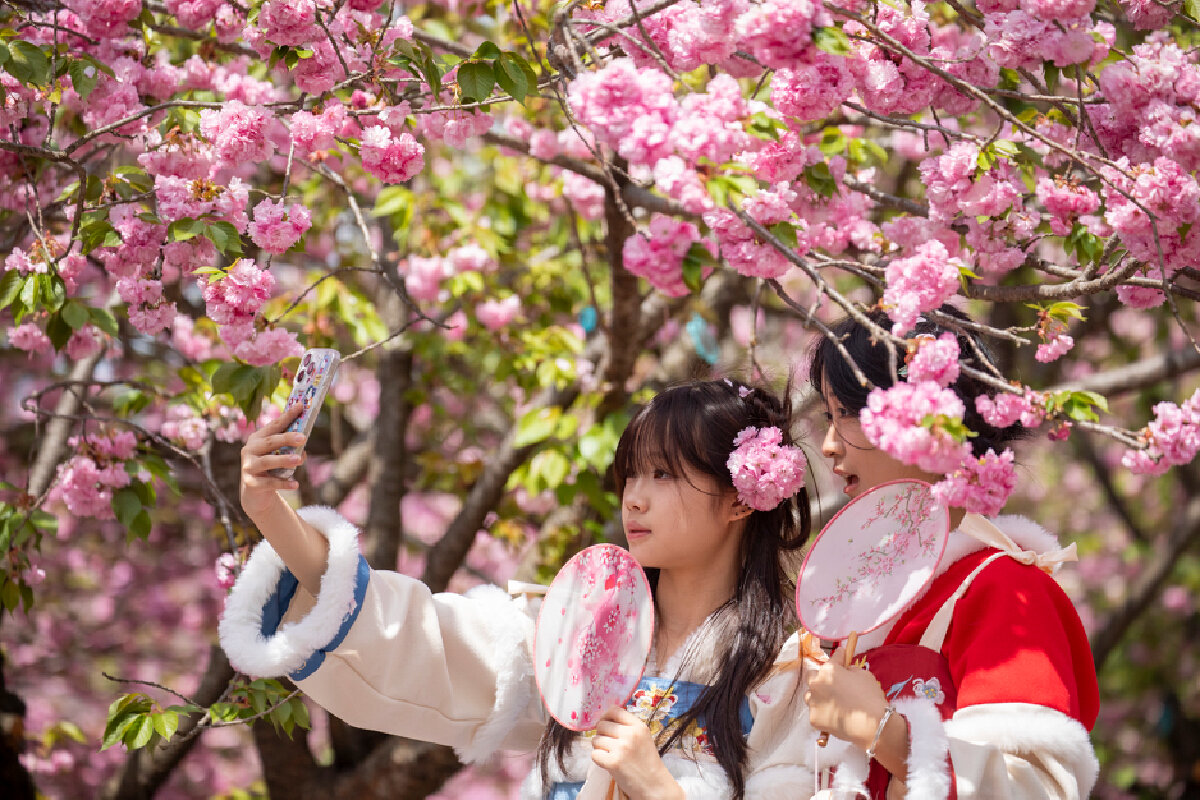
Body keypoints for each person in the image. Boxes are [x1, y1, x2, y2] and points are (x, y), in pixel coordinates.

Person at [219, 379, 822, 799]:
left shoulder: (791, 673)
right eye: (631, 474)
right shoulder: (580, 632)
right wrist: (273, 516)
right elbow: (422, 640)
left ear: (742, 499)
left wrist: (659, 790)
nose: (634, 498)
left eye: (663, 474)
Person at [801, 307, 1100, 799]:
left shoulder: (1006, 588)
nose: (829, 444)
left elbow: (1032, 789)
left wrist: (880, 730)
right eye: (828, 417)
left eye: (848, 412)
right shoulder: (862, 611)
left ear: (930, 416)